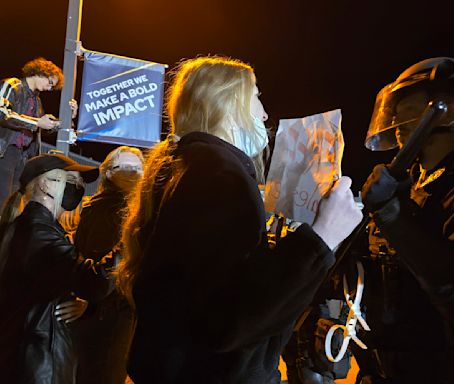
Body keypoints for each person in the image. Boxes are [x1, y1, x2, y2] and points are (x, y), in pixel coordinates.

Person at [116, 56, 363, 384]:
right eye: (256, 96)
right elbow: (230, 321)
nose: (263, 113)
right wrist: (323, 238)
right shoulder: (219, 174)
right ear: (228, 101)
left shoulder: (185, 166)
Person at [357, 57, 454, 383]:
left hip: (453, 370)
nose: (396, 121)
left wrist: (394, 216)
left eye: (408, 109)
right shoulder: (408, 185)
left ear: (447, 111)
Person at [0, 153, 117, 383]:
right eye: (72, 181)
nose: (80, 187)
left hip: (29, 362)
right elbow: (95, 282)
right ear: (45, 184)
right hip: (37, 368)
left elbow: (50, 283)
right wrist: (131, 238)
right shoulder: (37, 231)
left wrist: (81, 303)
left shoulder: (33, 228)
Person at [72, 146, 144, 384]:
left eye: (137, 168)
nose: (132, 173)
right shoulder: (110, 208)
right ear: (109, 174)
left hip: (112, 310)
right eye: (123, 167)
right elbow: (102, 270)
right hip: (108, 314)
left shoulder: (133, 208)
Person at [0, 57, 78, 211]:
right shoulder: (12, 85)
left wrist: (68, 118)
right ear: (41, 73)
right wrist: (36, 122)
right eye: (50, 83)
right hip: (4, 151)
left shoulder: (37, 101)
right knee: (2, 199)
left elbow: (43, 129)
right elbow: (2, 114)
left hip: (22, 157)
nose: (50, 88)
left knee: (13, 204)